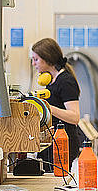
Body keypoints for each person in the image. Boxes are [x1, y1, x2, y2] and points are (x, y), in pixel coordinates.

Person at [31, 38, 80, 169]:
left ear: (47, 59)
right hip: (51, 141)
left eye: (36, 59)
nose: (33, 64)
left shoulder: (66, 82)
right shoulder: (51, 80)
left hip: (64, 142)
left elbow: (74, 117)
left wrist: (47, 108)